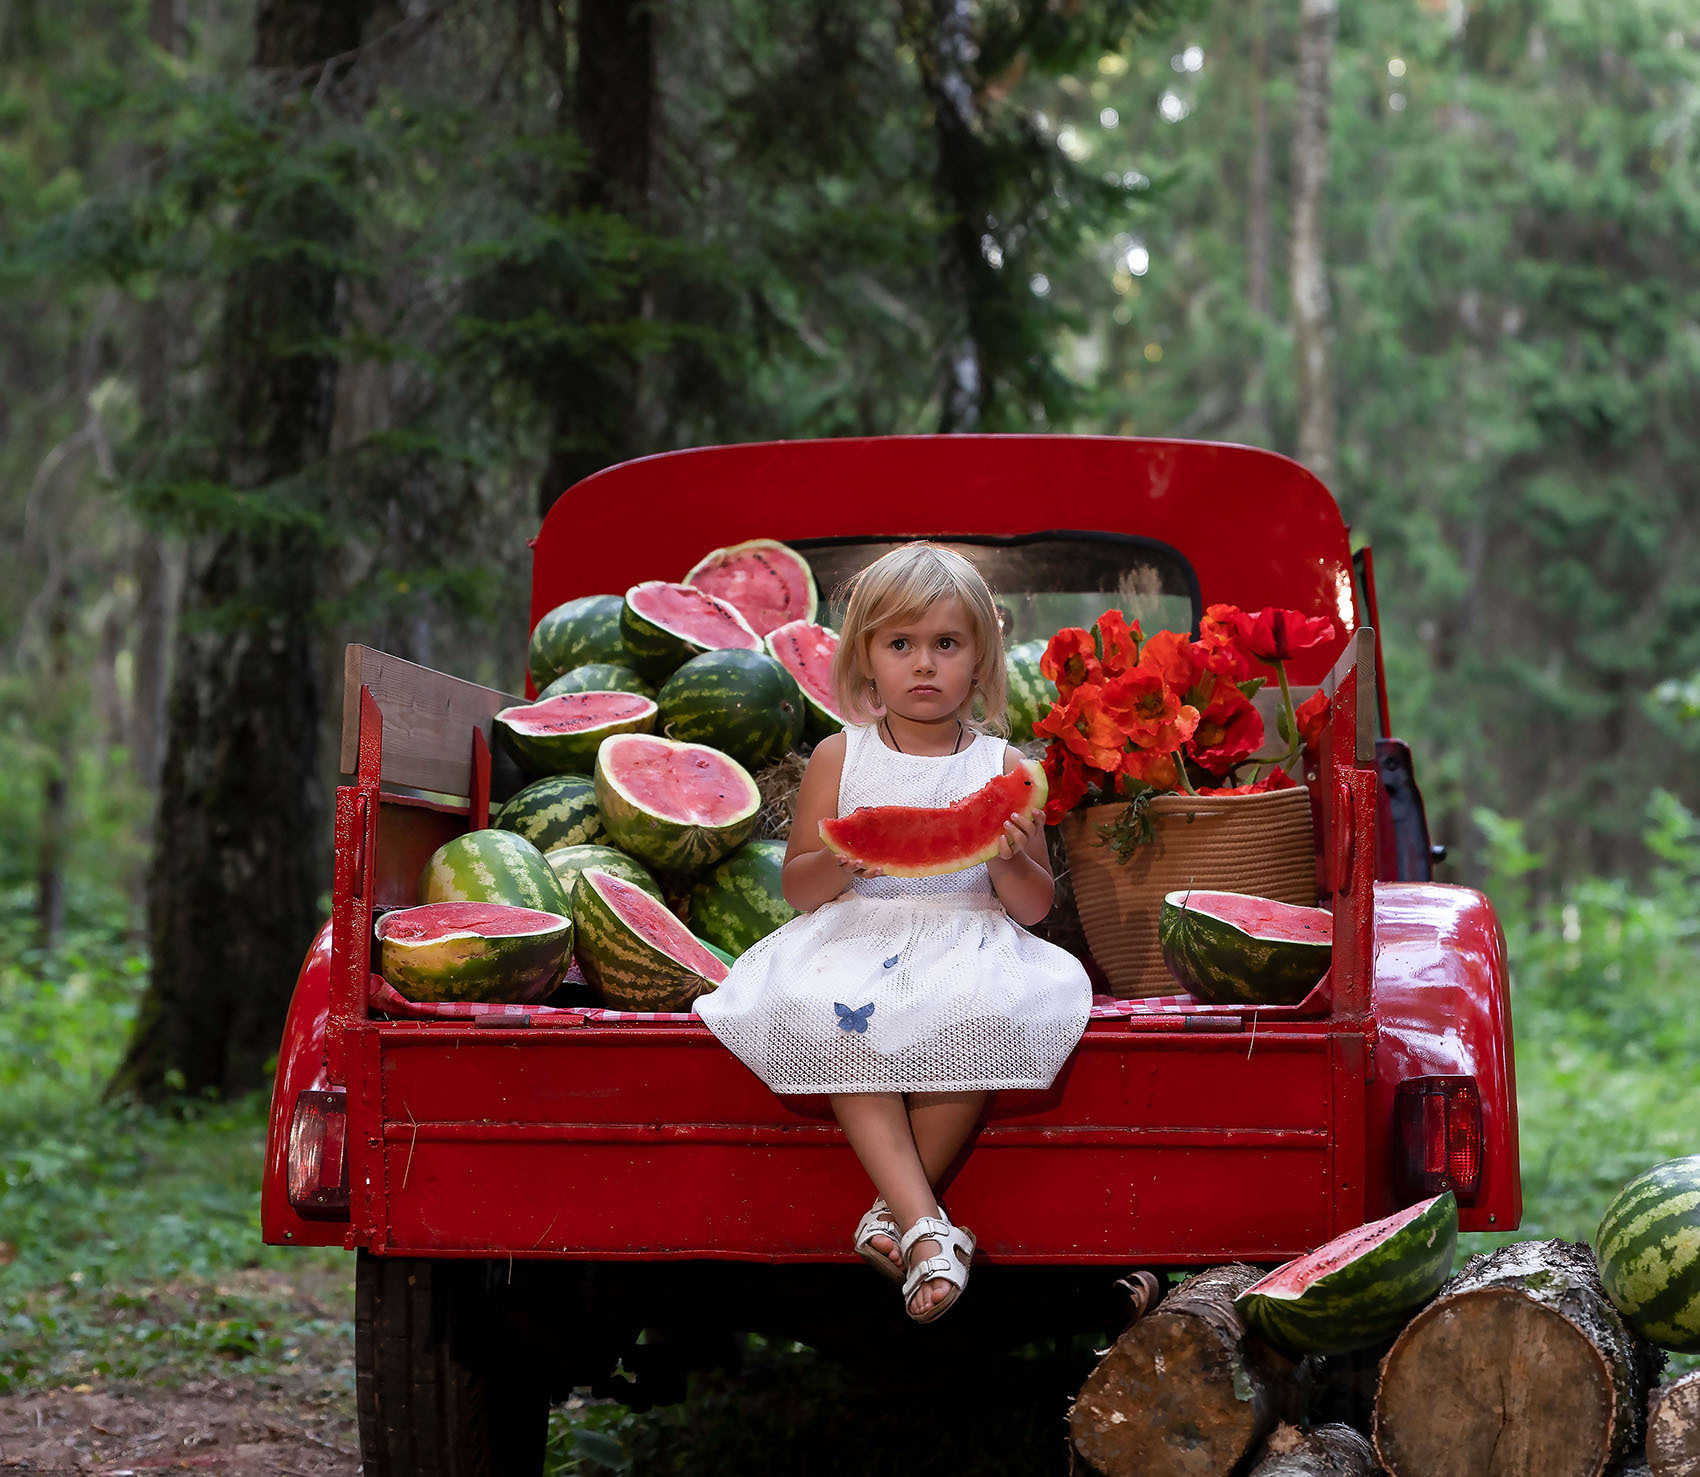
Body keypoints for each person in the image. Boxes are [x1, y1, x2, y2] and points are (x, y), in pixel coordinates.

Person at [696, 543, 1093, 1323]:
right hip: (856, 938)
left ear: (979, 661)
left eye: (946, 643)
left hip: (966, 938)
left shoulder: (1003, 764)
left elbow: (1034, 905)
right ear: (866, 659)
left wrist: (1008, 857)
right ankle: (925, 1223)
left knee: (984, 1014)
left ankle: (900, 1219)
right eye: (901, 643)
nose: (924, 663)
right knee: (834, 1014)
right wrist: (842, 858)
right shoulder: (838, 755)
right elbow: (799, 887)